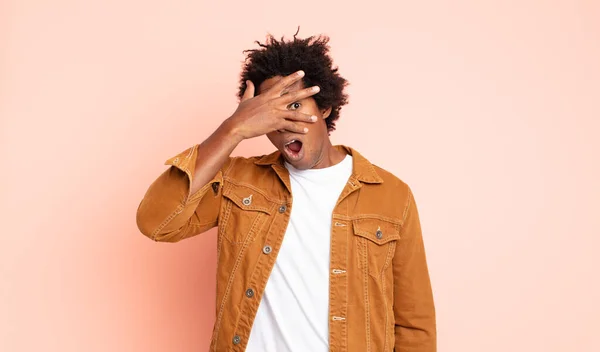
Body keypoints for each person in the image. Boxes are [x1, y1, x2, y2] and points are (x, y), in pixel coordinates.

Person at [136, 32, 436, 352]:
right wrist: (233, 129)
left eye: (294, 105)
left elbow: (414, 323)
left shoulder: (391, 195)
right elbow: (156, 221)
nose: (284, 122)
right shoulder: (238, 181)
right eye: (270, 112)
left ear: (324, 108)